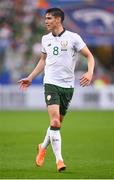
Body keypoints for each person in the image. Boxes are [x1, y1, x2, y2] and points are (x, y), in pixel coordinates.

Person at [18, 8, 95, 172]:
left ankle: (42, 146)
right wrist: (30, 77)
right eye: (45, 18)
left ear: (58, 19)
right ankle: (59, 161)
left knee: (57, 125)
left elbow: (89, 56)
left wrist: (89, 72)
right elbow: (43, 60)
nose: (46, 21)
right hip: (51, 83)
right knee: (54, 121)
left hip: (67, 86)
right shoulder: (45, 38)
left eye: (49, 18)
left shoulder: (74, 38)